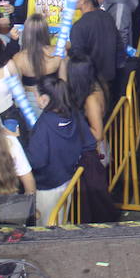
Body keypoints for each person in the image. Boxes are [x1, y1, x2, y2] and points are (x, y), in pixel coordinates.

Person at [26, 78, 95, 224]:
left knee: (46, 227)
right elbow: (89, 142)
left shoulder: (43, 126)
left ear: (45, 99)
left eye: (36, 95)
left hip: (47, 186)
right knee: (61, 219)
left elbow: (37, 161)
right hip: (69, 178)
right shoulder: (74, 113)